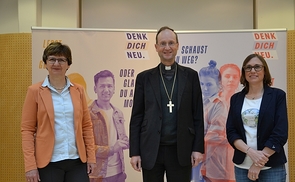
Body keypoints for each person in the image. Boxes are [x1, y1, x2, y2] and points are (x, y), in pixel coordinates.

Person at [129, 26, 204, 182]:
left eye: (171, 43)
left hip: (181, 150)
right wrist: (134, 152)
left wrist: (197, 149)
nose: (167, 47)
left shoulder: (191, 76)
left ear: (177, 45)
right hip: (151, 150)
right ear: (156, 47)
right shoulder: (144, 78)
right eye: (163, 43)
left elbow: (198, 116)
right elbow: (137, 117)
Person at [21, 42, 96, 182]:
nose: (56, 63)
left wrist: (91, 157)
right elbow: (27, 130)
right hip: (49, 162)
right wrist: (30, 166)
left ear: (68, 65)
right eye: (52, 59)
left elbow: (86, 126)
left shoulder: (78, 90)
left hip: (77, 161)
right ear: (45, 63)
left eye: (62, 60)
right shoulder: (34, 91)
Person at [226, 53, 288, 182]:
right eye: (248, 67)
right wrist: (251, 152)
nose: (252, 71)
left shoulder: (277, 96)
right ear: (244, 72)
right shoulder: (236, 99)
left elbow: (280, 133)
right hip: (242, 165)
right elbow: (231, 132)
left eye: (257, 67)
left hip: (272, 167)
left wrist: (258, 163)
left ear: (264, 71)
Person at [194, 60, 235, 182]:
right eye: (202, 84)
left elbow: (217, 135)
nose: (204, 88)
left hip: (217, 162)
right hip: (204, 162)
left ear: (219, 84)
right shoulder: (203, 103)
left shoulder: (219, 105)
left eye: (209, 84)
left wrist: (194, 145)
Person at [88, 70, 129, 182]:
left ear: (114, 89)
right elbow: (86, 148)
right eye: (102, 86)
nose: (106, 90)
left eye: (109, 86)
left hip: (119, 173)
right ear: (95, 88)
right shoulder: (87, 114)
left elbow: (122, 139)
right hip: (98, 175)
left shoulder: (118, 113)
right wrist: (112, 149)